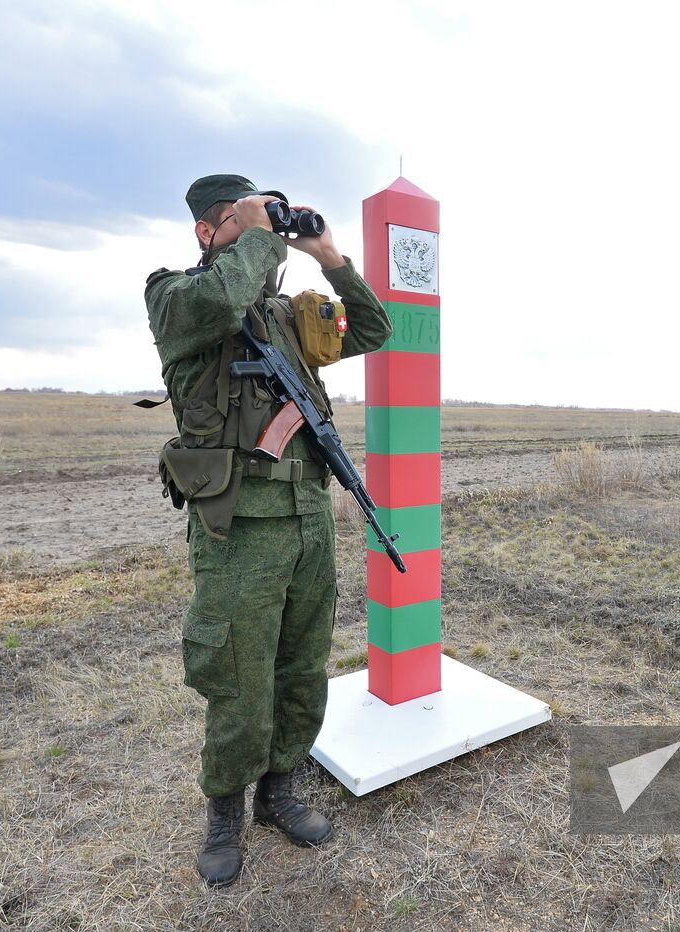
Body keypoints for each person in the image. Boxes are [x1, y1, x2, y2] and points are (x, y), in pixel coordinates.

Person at [145, 174, 392, 887]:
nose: (261, 232)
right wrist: (255, 231)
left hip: (309, 518)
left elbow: (374, 330)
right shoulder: (176, 298)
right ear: (206, 231)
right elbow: (224, 297)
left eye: (262, 221)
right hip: (238, 527)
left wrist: (328, 254)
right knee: (237, 676)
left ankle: (279, 790)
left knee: (302, 663)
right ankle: (224, 810)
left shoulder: (290, 316)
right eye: (238, 219)